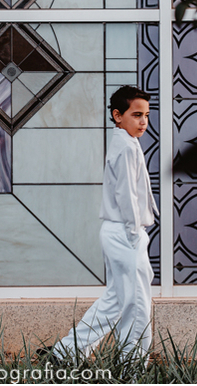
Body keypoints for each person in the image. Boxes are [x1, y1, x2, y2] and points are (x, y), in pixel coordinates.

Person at [49, 86, 157, 360]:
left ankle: (65, 353)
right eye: (136, 115)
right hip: (124, 231)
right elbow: (126, 194)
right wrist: (135, 234)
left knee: (117, 301)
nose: (143, 121)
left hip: (119, 231)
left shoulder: (126, 142)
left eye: (146, 115)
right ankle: (131, 365)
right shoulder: (125, 146)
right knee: (137, 304)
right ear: (117, 115)